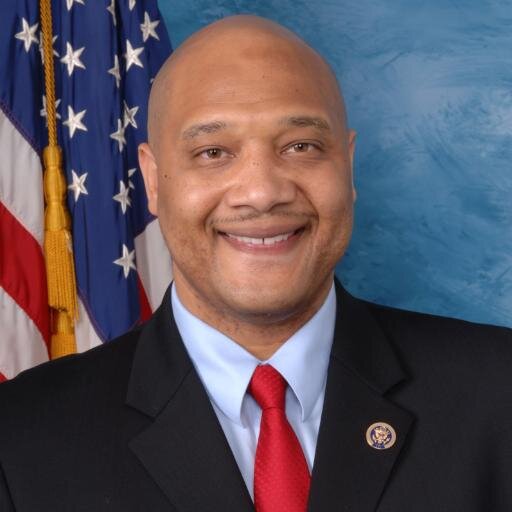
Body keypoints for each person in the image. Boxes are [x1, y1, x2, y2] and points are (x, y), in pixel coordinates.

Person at [0, 14, 511, 512]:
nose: (263, 192)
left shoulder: (498, 392)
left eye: (301, 146)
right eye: (213, 152)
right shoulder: (21, 440)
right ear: (153, 181)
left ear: (348, 165)